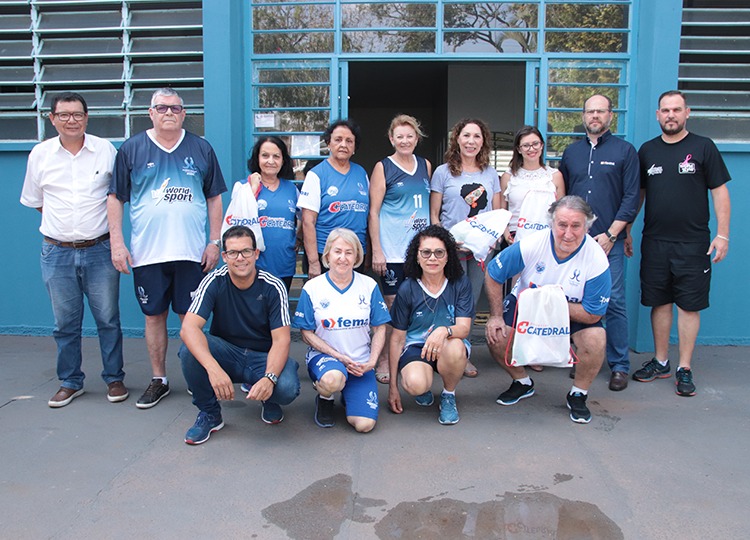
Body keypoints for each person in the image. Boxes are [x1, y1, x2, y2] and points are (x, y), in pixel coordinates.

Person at [108, 87, 227, 409]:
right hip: (148, 253)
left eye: (175, 108)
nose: (169, 113)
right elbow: (115, 197)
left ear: (184, 113)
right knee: (153, 316)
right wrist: (117, 243)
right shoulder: (131, 149)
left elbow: (215, 197)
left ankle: (197, 377)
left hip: (191, 252)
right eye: (162, 108)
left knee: (192, 318)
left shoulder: (201, 148)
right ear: (151, 113)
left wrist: (214, 242)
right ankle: (159, 378)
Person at [20, 92, 126, 408]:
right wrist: (65, 230)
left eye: (77, 114)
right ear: (52, 119)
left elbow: (116, 196)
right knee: (64, 323)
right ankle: (70, 381)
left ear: (86, 118)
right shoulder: (40, 155)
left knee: (108, 318)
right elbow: (36, 201)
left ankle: (114, 378)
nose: (71, 120)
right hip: (57, 252)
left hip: (99, 250)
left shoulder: (105, 151)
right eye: (64, 115)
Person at [630, 90, 731, 397]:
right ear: (658, 115)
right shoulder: (647, 151)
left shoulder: (703, 147)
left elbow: (720, 193)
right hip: (655, 241)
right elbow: (639, 196)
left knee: (689, 305)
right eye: (665, 110)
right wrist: (627, 230)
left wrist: (723, 234)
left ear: (687, 112)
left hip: (693, 243)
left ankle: (683, 367)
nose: (670, 115)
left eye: (676, 109)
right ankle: (661, 361)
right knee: (659, 301)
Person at [485, 196, 611, 424]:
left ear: (587, 226)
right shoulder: (533, 244)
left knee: (596, 338)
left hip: (572, 311)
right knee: (496, 335)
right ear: (552, 223)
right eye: (562, 225)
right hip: (527, 306)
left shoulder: (596, 258)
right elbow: (493, 274)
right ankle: (522, 383)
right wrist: (495, 316)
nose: (568, 233)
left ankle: (578, 394)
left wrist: (550, 303)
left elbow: (593, 313)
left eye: (576, 226)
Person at [179, 225, 300, 444]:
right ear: (224, 256)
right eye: (233, 252)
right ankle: (210, 414)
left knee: (287, 387)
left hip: (261, 358)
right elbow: (188, 328)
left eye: (246, 251)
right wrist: (213, 369)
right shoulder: (213, 281)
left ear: (256, 253)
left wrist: (270, 377)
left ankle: (268, 397)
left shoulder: (274, 286)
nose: (240, 258)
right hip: (227, 354)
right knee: (189, 349)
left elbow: (282, 339)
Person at [559, 94, 639, 392]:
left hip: (609, 240)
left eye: (600, 111)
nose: (595, 116)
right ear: (583, 115)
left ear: (610, 115)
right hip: (574, 242)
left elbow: (631, 197)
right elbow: (563, 197)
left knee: (614, 300)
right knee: (575, 301)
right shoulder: (571, 152)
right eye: (590, 111)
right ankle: (583, 357)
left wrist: (613, 234)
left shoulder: (625, 151)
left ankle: (619, 365)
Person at [293, 228, 391, 432]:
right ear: (327, 254)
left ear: (357, 256)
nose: (343, 258)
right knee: (333, 379)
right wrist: (338, 356)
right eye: (337, 251)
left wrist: (372, 362)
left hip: (360, 363)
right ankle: (325, 398)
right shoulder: (313, 288)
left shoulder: (369, 285)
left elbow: (380, 328)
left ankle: (349, 394)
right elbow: (306, 333)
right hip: (326, 359)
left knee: (364, 425)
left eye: (349, 252)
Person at [430, 118, 502, 378]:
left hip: (481, 250)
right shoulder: (442, 172)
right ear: (457, 139)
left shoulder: (490, 173)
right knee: (447, 300)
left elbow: (497, 212)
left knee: (469, 302)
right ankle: (439, 351)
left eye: (477, 137)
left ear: (483, 142)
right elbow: (434, 214)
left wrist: (492, 239)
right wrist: (444, 241)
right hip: (451, 249)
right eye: (466, 136)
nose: (471, 141)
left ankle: (463, 353)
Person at [387, 225, 474, 425]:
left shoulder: (460, 283)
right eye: (426, 252)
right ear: (417, 256)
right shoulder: (407, 288)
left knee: (456, 346)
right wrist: (393, 387)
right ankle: (424, 387)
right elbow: (398, 338)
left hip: (448, 344)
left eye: (439, 252)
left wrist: (444, 330)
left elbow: (464, 328)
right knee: (415, 384)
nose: (432, 258)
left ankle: (448, 395)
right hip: (417, 346)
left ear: (448, 256)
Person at [369, 114, 432, 384]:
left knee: (420, 301)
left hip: (421, 250)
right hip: (393, 250)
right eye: (400, 136)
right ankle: (383, 356)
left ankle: (412, 352)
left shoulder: (426, 165)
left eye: (410, 136)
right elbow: (373, 212)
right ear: (392, 139)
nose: (405, 141)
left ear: (417, 138)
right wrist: (377, 251)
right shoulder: (383, 167)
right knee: (391, 304)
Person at [298, 119, 369, 279]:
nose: (343, 144)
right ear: (328, 143)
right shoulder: (316, 175)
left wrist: (367, 254)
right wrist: (314, 262)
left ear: (354, 147)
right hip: (325, 255)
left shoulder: (362, 173)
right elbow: (308, 222)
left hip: (356, 255)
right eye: (338, 140)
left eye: (349, 141)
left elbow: (368, 217)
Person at [245, 136, 300, 292]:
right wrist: (253, 190)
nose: (271, 161)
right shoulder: (244, 187)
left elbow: (304, 217)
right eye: (265, 155)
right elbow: (237, 222)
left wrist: (299, 236)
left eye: (276, 156)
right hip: (254, 266)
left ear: (283, 160)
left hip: (284, 265)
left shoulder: (292, 189)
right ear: (257, 158)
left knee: (279, 311)